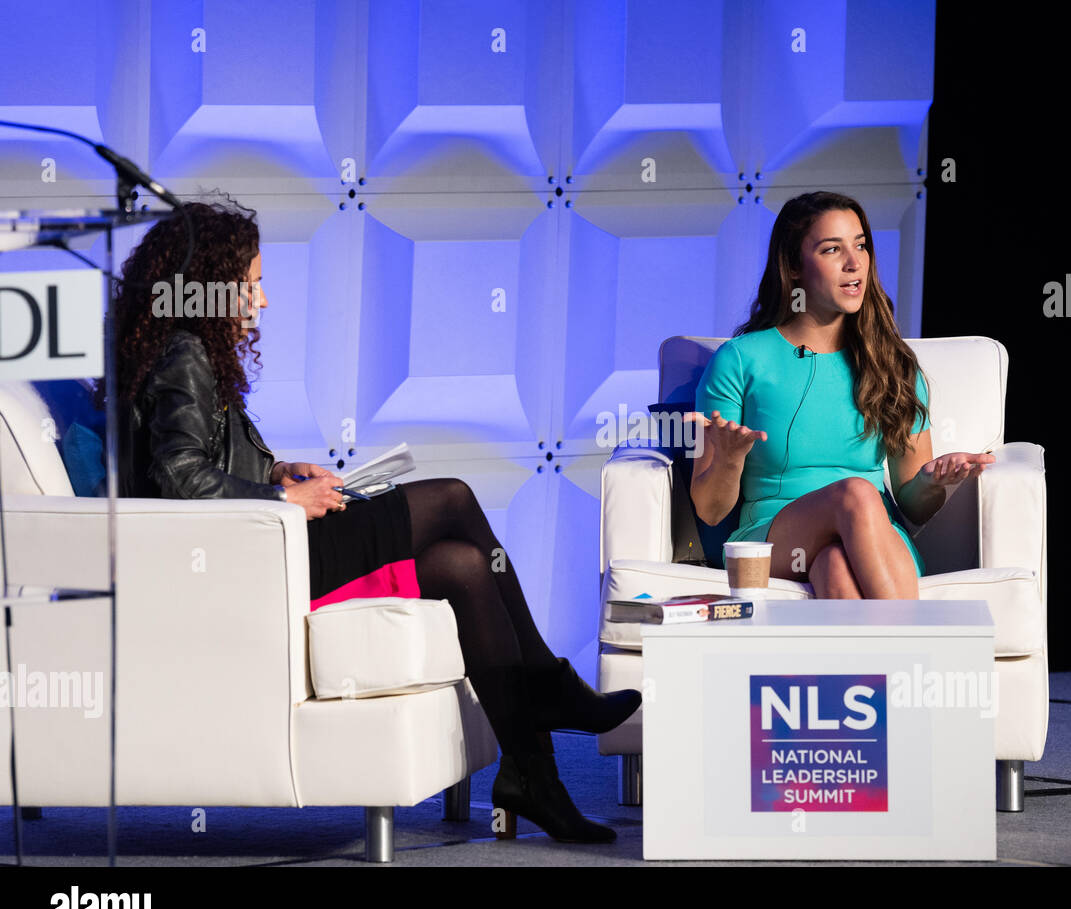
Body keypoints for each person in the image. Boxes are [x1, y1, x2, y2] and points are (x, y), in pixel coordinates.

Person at [95, 195, 640, 844]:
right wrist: (283, 501)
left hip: (267, 547)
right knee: (455, 497)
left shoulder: (183, 350)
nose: (262, 301)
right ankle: (549, 684)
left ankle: (532, 775)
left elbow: (200, 458)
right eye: (253, 285)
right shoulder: (184, 352)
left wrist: (277, 472)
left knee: (463, 568)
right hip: (263, 559)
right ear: (210, 290)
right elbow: (176, 477)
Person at [688, 191, 996, 599]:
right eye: (833, 249)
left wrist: (933, 480)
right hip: (773, 537)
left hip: (876, 538)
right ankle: (920, 652)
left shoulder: (893, 365)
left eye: (861, 245)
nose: (855, 263)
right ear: (794, 267)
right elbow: (710, 510)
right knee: (855, 492)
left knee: (834, 565)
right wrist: (728, 459)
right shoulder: (740, 359)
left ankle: (873, 662)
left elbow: (914, 505)